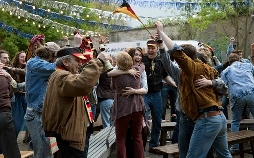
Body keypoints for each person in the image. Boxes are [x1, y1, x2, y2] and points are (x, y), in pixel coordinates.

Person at [155, 21, 232, 158]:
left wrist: (211, 82)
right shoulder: (182, 73)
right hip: (191, 118)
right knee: (195, 153)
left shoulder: (200, 69)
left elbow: (225, 89)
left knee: (195, 155)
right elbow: (167, 61)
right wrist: (160, 44)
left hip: (206, 118)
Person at [42, 47, 110, 158]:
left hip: (71, 136)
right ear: (65, 62)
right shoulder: (61, 77)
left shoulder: (61, 74)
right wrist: (99, 62)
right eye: (77, 60)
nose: (80, 63)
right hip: (69, 139)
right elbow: (81, 84)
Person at [142, 39, 177, 152]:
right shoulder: (142, 60)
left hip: (157, 94)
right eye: (149, 48)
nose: (150, 50)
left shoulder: (161, 60)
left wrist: (175, 84)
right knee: (143, 120)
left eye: (153, 48)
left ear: (157, 48)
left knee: (158, 120)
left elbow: (165, 76)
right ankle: (141, 147)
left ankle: (153, 145)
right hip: (144, 95)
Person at [111, 51, 147, 158]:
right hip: (137, 108)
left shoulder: (116, 75)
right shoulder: (138, 71)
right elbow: (142, 67)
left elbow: (112, 88)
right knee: (137, 137)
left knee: (120, 138)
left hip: (122, 109)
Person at [25, 46, 58, 158]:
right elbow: (56, 67)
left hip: (41, 113)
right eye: (55, 56)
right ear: (50, 55)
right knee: (41, 152)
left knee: (47, 149)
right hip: (35, 113)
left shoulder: (36, 63)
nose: (55, 59)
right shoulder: (36, 64)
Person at [221, 52, 254, 153]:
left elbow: (222, 85)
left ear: (229, 61)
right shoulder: (249, 65)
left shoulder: (226, 70)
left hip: (237, 96)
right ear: (239, 59)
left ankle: (235, 147)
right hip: (251, 93)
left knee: (235, 121)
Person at [0, 62, 21, 158]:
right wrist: (10, 78)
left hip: (3, 113)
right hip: (4, 113)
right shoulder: (4, 76)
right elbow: (15, 89)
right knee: (11, 148)